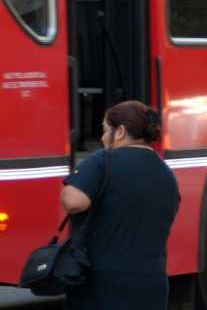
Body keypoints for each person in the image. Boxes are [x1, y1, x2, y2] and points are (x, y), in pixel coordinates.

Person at [61, 100, 180, 310]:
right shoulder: (166, 172)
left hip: (103, 287)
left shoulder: (104, 160)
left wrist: (68, 188)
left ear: (121, 132)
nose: (102, 138)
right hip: (152, 286)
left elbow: (74, 202)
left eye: (105, 130)